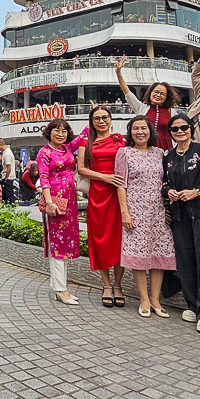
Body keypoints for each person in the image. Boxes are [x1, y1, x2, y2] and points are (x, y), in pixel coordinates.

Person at [162, 114, 200, 334]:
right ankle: (193, 304)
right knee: (186, 260)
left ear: (191, 129)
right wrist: (168, 191)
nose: (180, 131)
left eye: (184, 127)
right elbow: (164, 183)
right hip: (180, 216)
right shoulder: (168, 155)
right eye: (175, 129)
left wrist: (197, 192)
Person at [115, 116, 176, 317]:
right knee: (139, 255)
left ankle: (156, 300)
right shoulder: (124, 153)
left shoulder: (161, 153)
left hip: (159, 211)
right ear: (130, 132)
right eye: (135, 128)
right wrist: (125, 212)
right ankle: (143, 299)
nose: (140, 132)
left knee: (158, 254)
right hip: (136, 210)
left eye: (144, 128)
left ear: (151, 131)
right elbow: (121, 184)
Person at [76, 106, 127, 308]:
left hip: (119, 194)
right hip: (98, 194)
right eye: (97, 118)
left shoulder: (120, 140)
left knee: (120, 239)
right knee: (100, 239)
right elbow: (81, 168)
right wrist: (104, 177)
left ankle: (118, 285)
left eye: (105, 117)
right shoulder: (85, 142)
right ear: (92, 121)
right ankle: (106, 285)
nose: (101, 121)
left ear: (111, 119)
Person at [36, 119, 86, 305]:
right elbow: (44, 178)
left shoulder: (67, 149)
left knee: (67, 242)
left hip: (70, 200)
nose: (60, 134)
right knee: (57, 242)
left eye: (64, 131)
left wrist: (94, 112)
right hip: (55, 201)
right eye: (56, 130)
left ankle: (61, 286)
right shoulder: (44, 152)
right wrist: (49, 202)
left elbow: (84, 135)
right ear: (49, 132)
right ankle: (59, 288)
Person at [115, 56, 180, 150]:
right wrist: (118, 73)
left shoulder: (172, 113)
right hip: (145, 149)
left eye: (162, 94)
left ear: (167, 97)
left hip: (167, 149)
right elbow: (127, 93)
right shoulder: (141, 108)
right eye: (156, 92)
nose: (158, 95)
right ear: (150, 93)